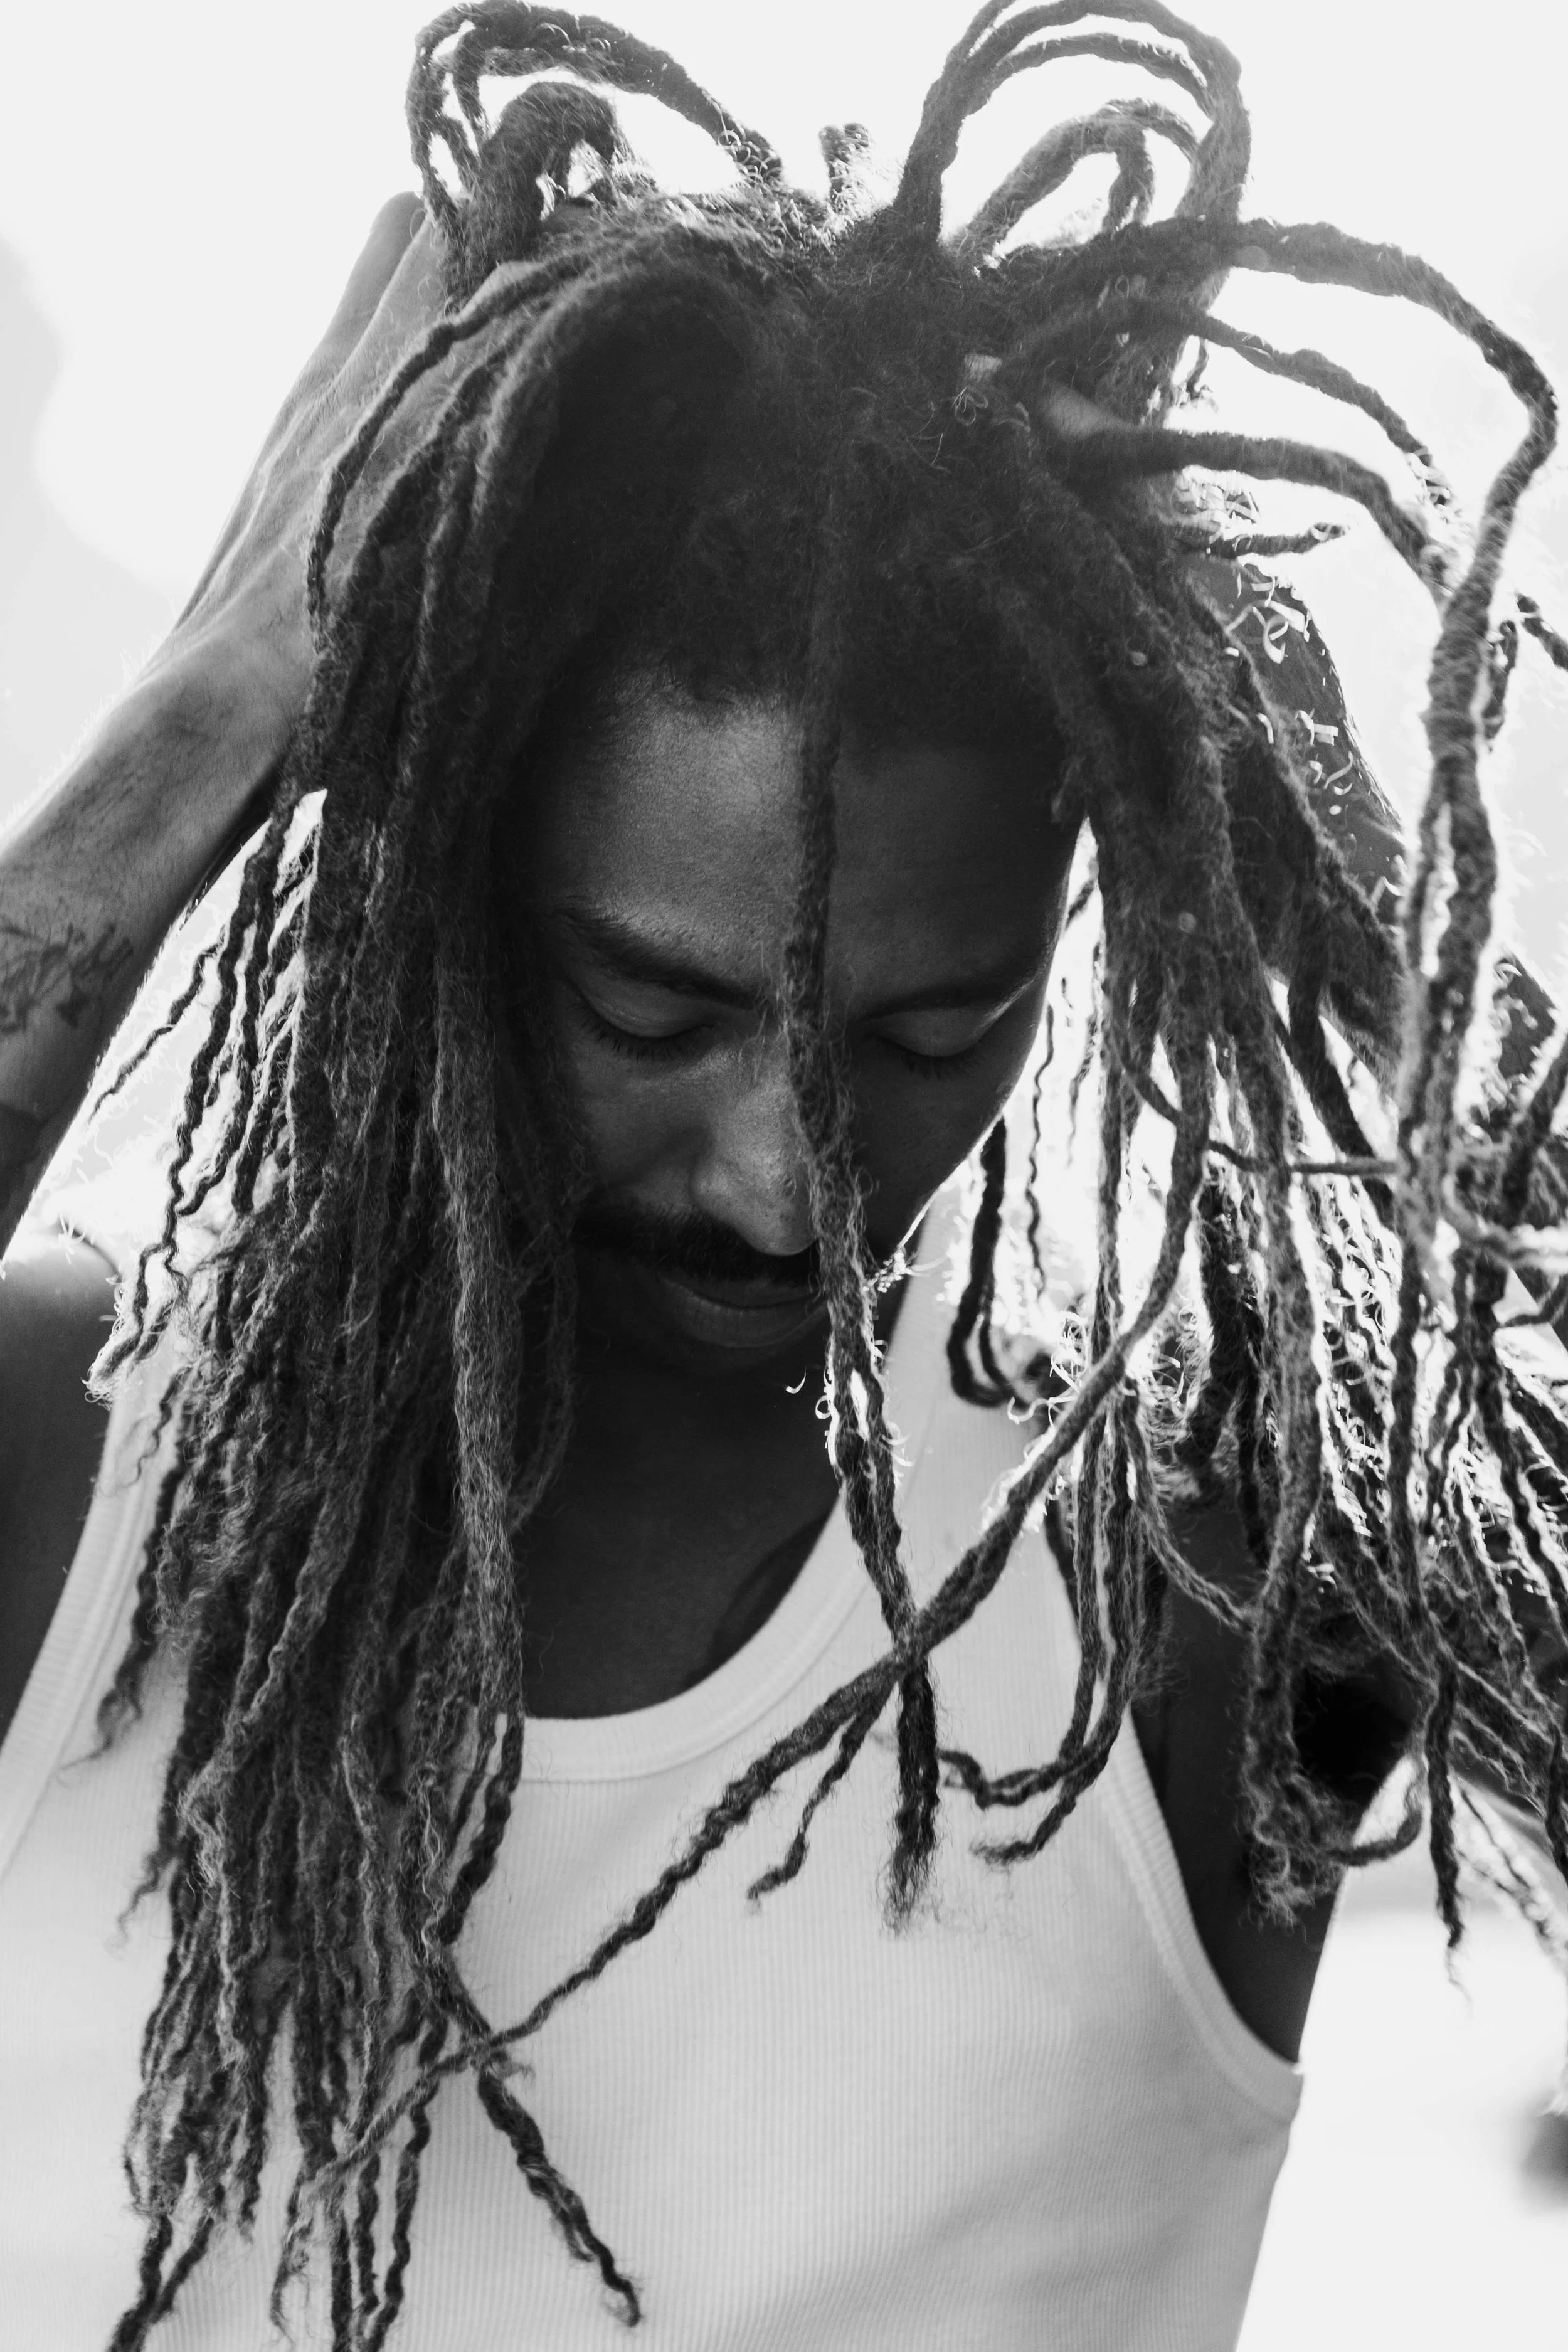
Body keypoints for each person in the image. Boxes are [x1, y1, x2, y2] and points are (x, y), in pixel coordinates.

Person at [1, 4, 1565, 2346]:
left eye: (928, 1035)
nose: (782, 1185)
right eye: (652, 1009)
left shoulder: (1189, 1600)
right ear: (436, 885)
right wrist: (194, 729)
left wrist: (1358, 941)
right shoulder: (68, 1488)